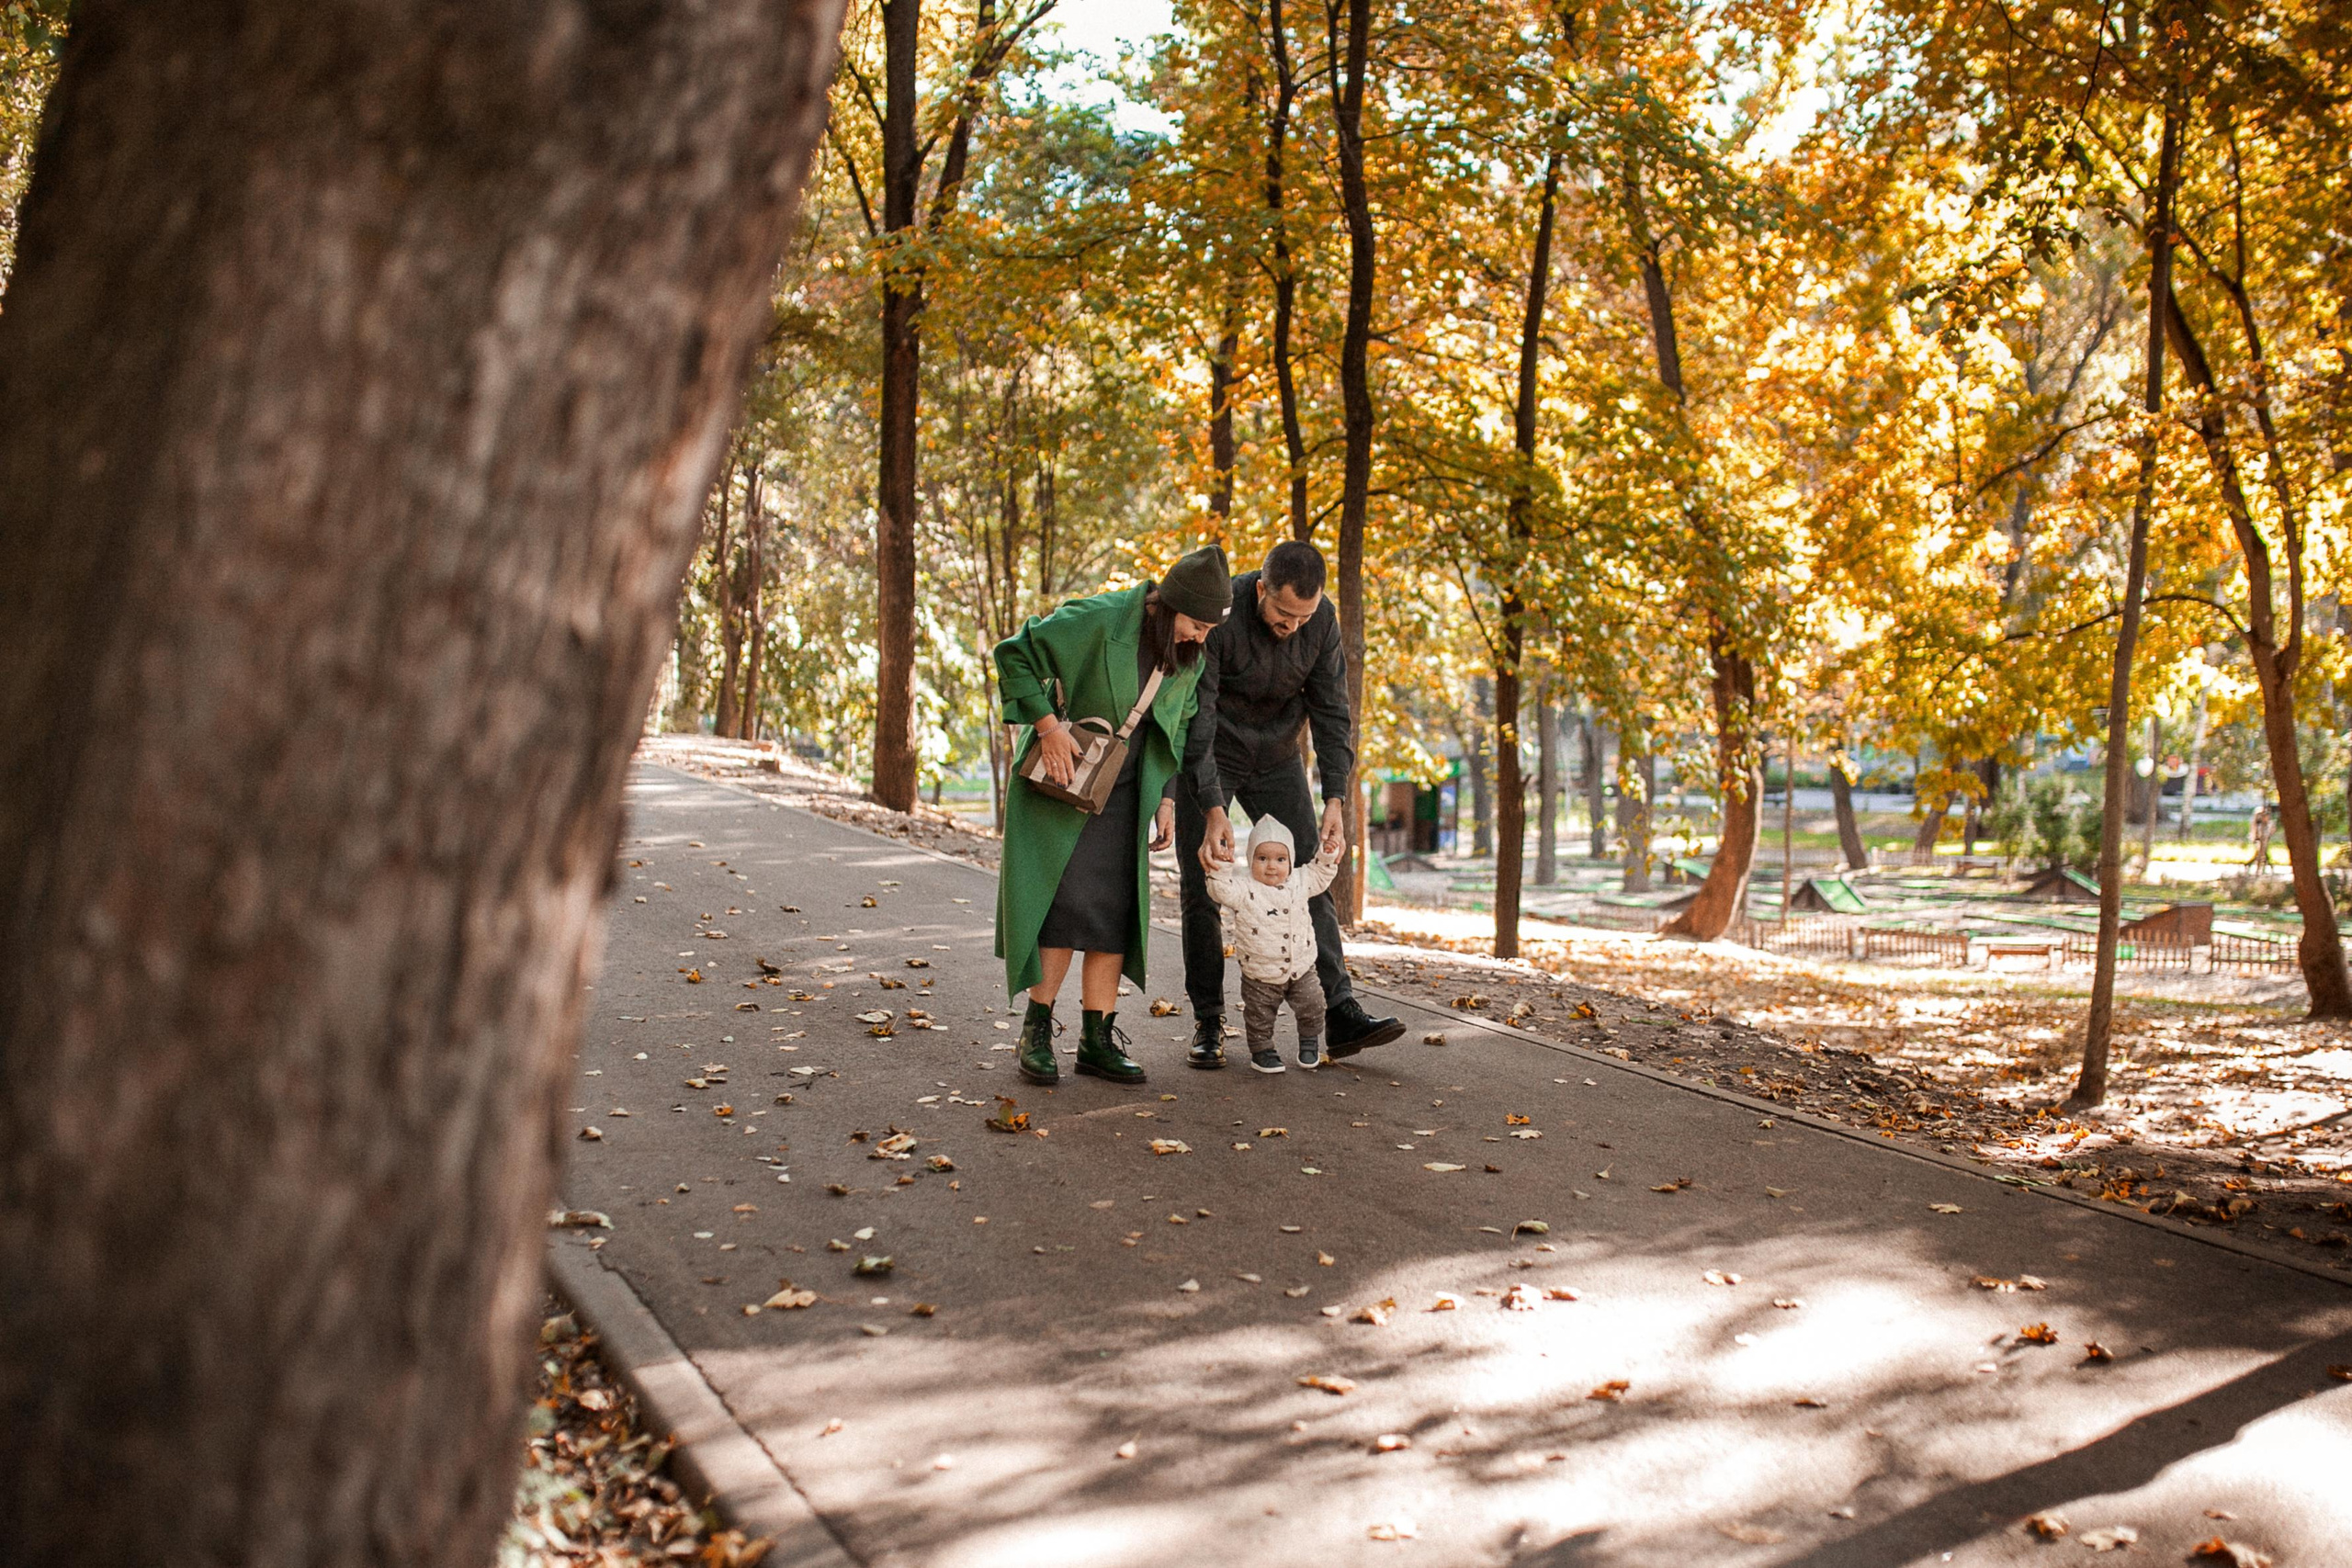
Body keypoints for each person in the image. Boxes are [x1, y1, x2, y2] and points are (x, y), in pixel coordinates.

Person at [993, 546, 1230, 1088]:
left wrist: (1166, 799)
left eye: (1209, 631)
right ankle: (1036, 1031)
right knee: (1063, 905)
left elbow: (1177, 727)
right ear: (1170, 605)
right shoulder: (1099, 617)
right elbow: (1014, 654)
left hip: (1126, 791)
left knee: (1113, 915)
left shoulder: (1187, 656)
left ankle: (1096, 1040)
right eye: (1196, 625)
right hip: (1063, 777)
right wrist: (1049, 728)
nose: (1201, 639)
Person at [1176, 540, 1405, 1069]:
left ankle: (1340, 1011)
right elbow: (1198, 715)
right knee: (1204, 885)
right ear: (1261, 589)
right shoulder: (1222, 614)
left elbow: (1332, 711)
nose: (1293, 625)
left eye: (1304, 616)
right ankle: (1209, 1021)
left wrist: (1335, 799)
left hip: (1279, 758)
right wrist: (1211, 805)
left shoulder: (1321, 621)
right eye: (1284, 614)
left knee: (1310, 877)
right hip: (1213, 754)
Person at [1204, 815, 1342, 1072]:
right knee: (1260, 1015)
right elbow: (1219, 891)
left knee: (1313, 1004)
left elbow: (1321, 874)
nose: (1271, 866)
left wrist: (1327, 855)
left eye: (1280, 859)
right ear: (1250, 859)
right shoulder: (1244, 889)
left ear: (1290, 860)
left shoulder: (1300, 881)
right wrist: (1220, 868)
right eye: (1262, 858)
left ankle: (1309, 1041)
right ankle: (1262, 1051)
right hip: (1260, 973)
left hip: (1301, 967)